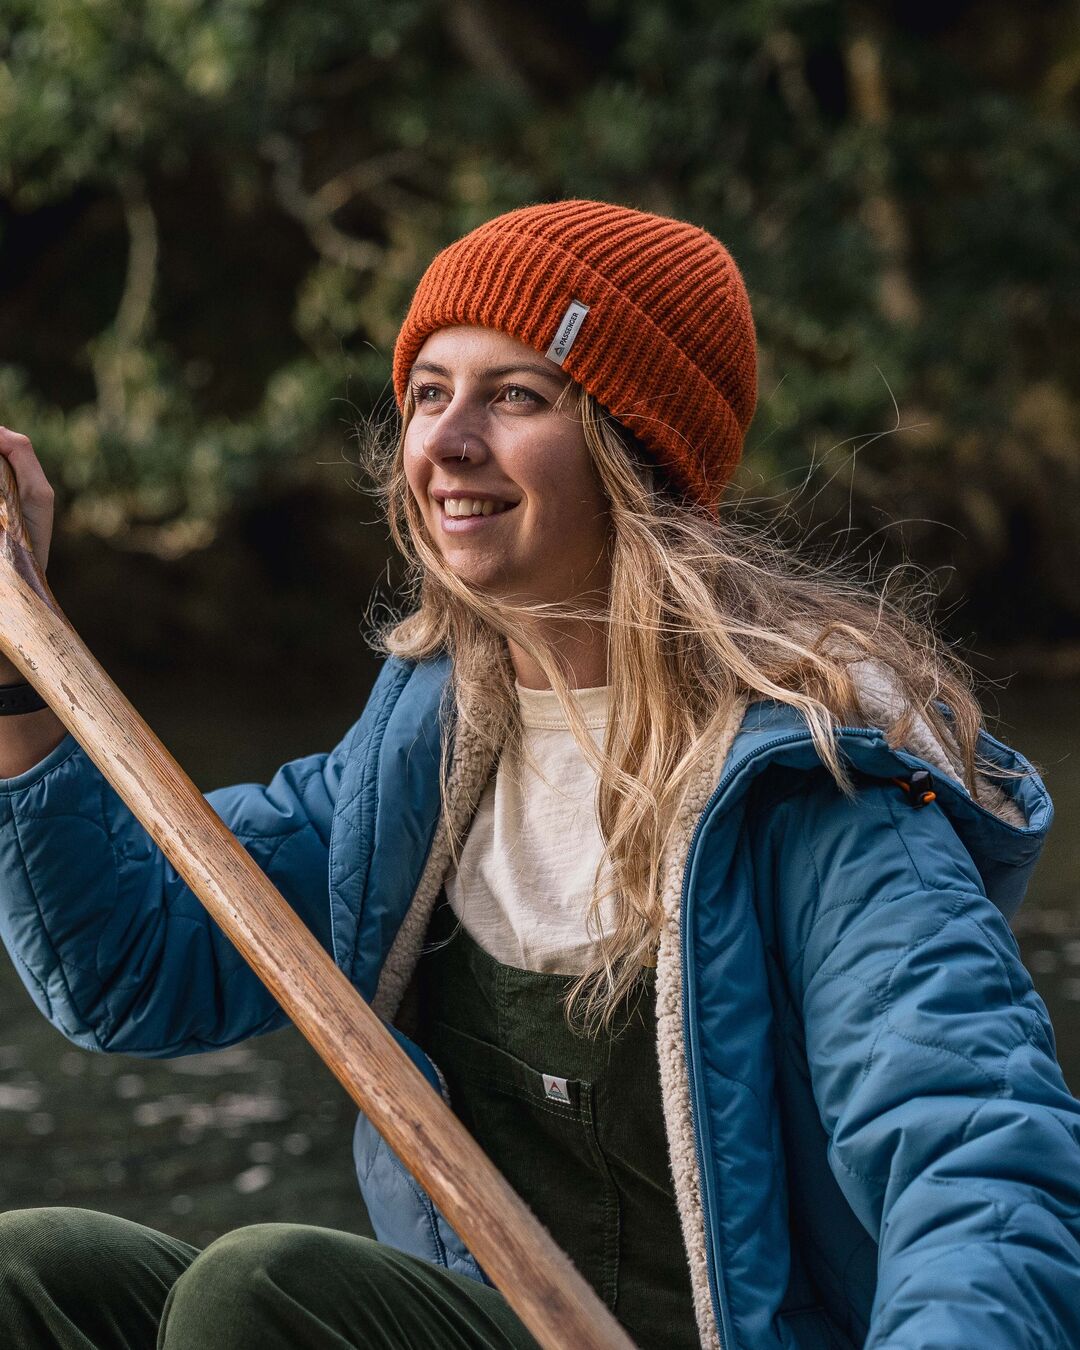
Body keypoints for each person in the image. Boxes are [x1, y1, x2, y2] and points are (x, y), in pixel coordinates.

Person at [0, 198, 1076, 1350]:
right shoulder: (419, 751)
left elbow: (982, 1166)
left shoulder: (816, 788)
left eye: (516, 396)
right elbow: (126, 963)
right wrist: (15, 670)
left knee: (261, 1293)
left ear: (635, 454)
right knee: (36, 1272)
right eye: (428, 393)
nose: (448, 440)